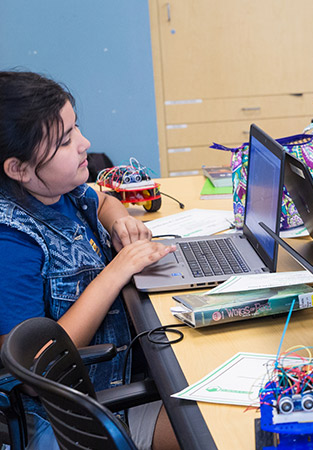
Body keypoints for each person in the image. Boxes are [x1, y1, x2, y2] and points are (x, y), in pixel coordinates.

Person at [0, 71, 178, 450]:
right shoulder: (10, 242)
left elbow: (103, 199)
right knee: (231, 427)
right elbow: (34, 370)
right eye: (65, 141)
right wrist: (116, 271)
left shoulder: (63, 193)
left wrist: (121, 223)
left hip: (121, 380)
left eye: (76, 128)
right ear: (18, 168)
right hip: (80, 421)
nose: (85, 144)